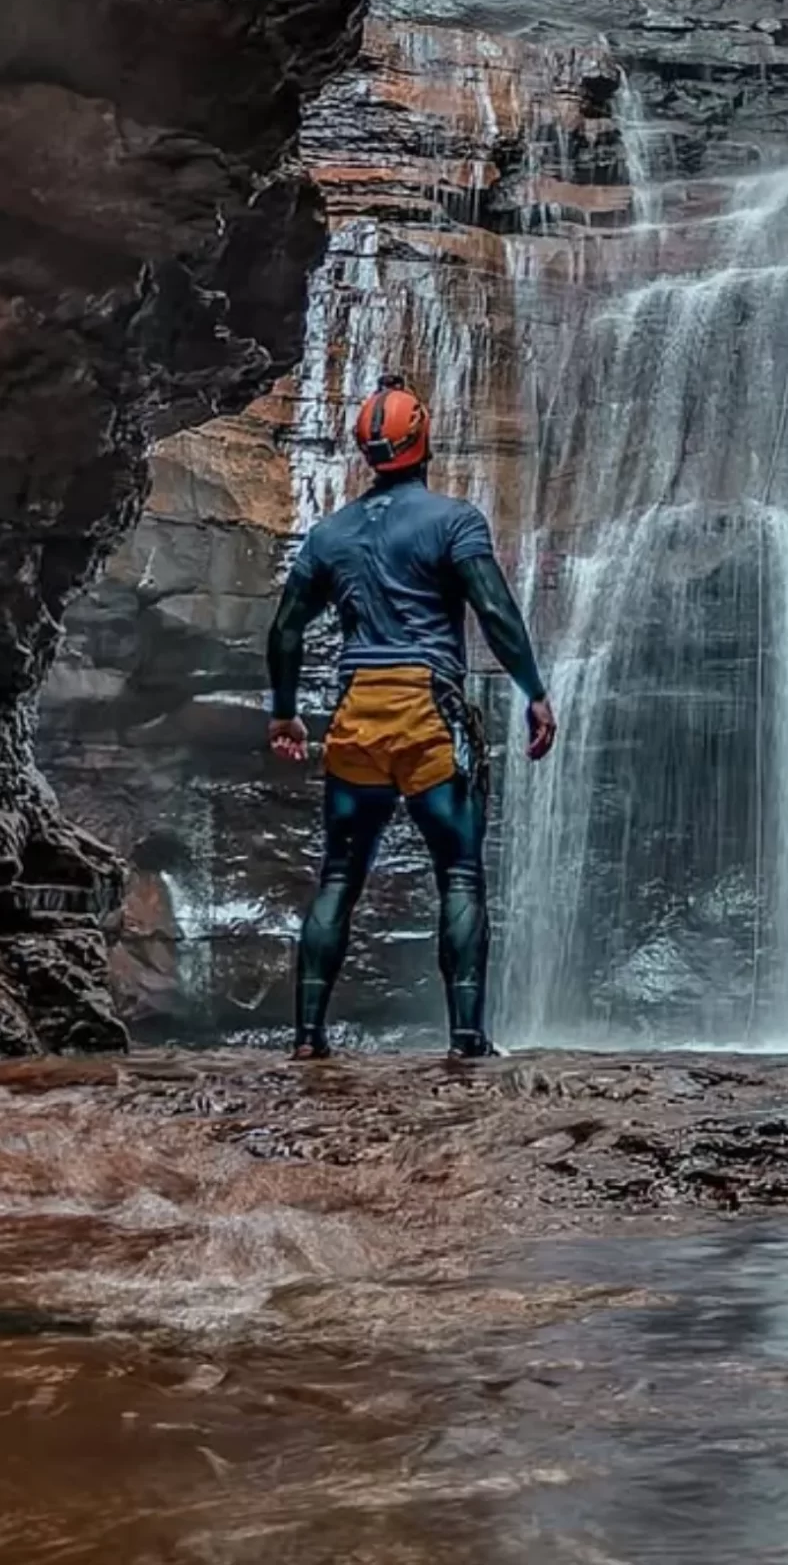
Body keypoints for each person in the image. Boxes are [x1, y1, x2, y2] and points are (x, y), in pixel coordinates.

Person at [265, 374, 556, 1060]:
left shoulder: (328, 534)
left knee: (338, 875)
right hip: (428, 710)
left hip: (355, 715)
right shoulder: (454, 522)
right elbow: (494, 611)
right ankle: (466, 1039)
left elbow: (284, 631)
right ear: (424, 441)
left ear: (367, 453)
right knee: (458, 873)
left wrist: (284, 716)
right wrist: (533, 691)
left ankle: (308, 1037)